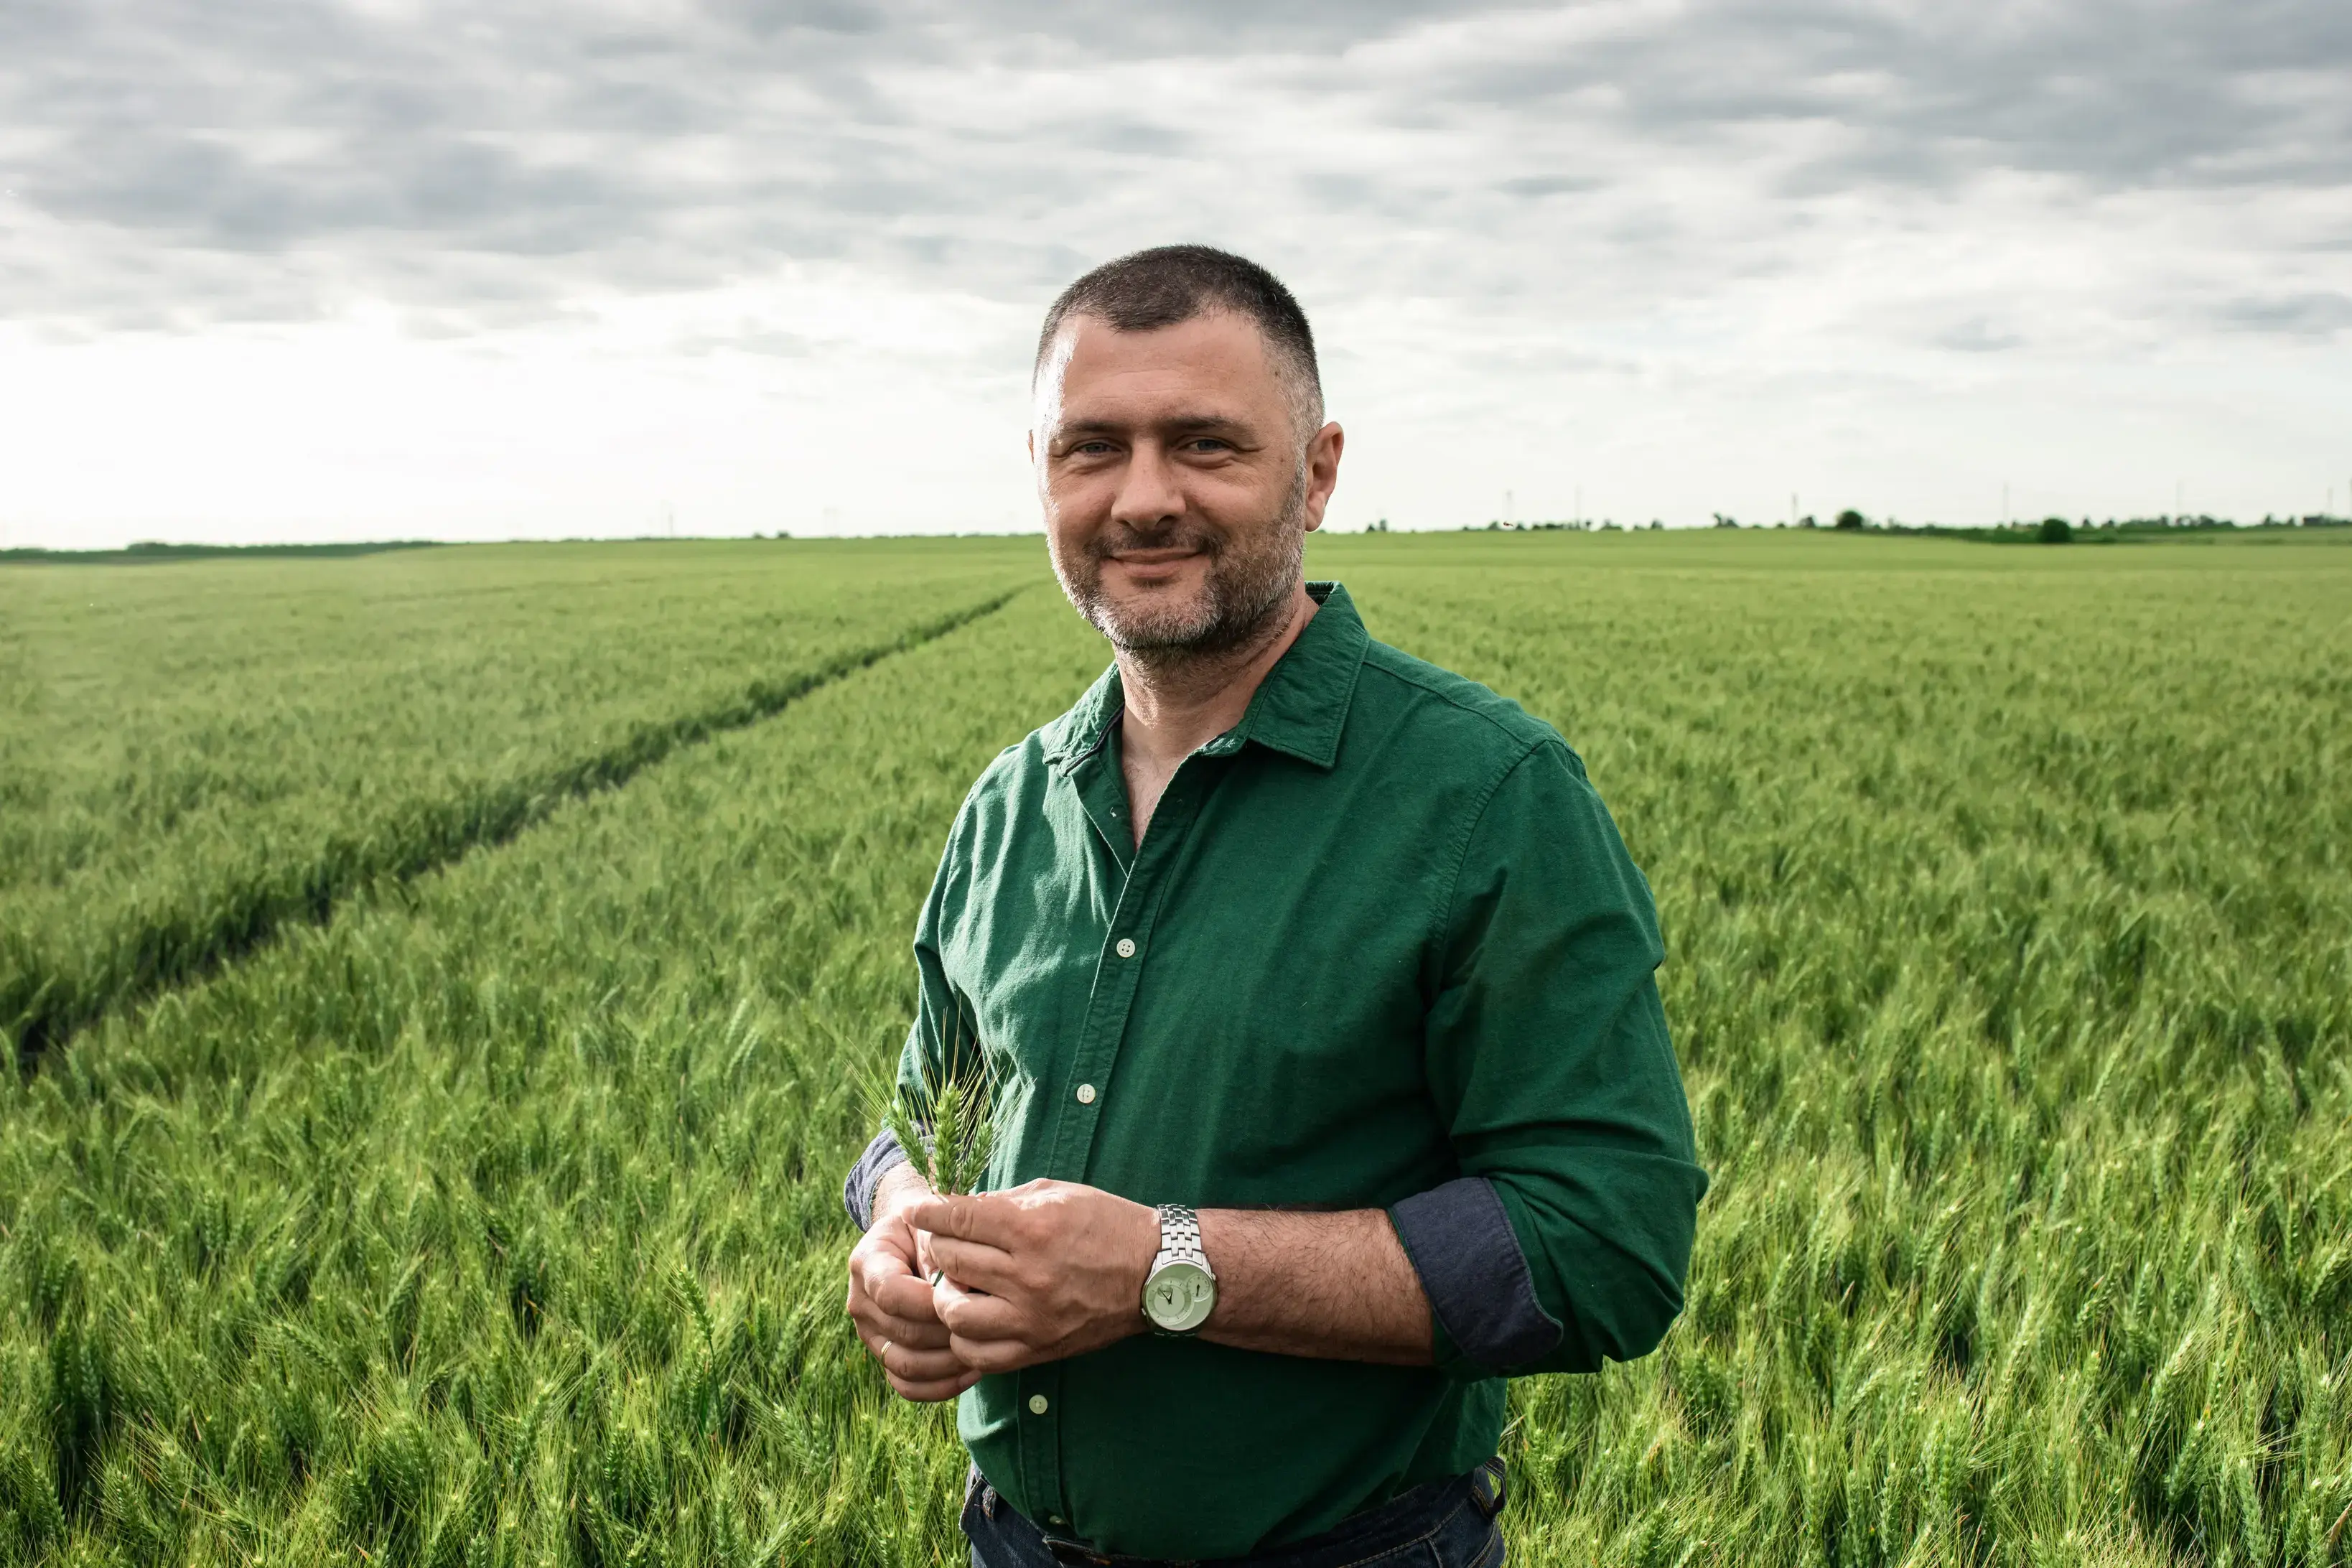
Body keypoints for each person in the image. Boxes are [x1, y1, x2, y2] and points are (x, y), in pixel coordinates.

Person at [841, 244, 1705, 1567]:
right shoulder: (1006, 807)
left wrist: (1157, 1268)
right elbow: (916, 1119)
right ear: (1038, 471)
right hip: (1007, 1543)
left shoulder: (1487, 797)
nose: (1143, 498)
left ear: (1317, 471)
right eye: (1092, 448)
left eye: (1204, 444)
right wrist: (900, 1220)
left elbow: (1604, 1242)